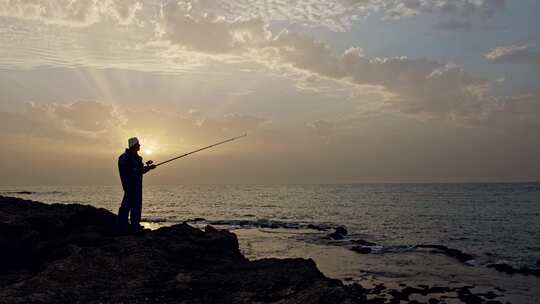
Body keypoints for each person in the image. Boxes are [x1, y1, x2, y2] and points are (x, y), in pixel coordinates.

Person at [117, 137, 156, 231]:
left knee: (137, 206)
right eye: (138, 144)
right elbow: (132, 171)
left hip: (137, 186)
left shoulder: (137, 158)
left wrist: (148, 167)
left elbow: (140, 171)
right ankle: (122, 225)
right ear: (134, 145)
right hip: (130, 186)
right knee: (127, 205)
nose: (140, 145)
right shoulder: (124, 157)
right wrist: (145, 168)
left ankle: (135, 225)